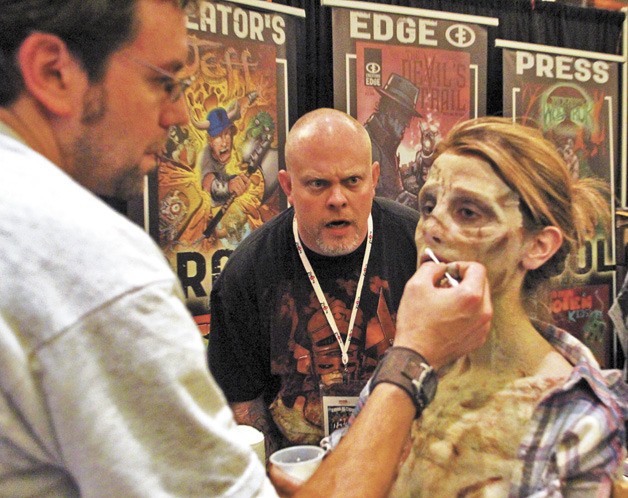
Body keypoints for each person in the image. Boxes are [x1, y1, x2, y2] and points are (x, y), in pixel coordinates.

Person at [0, 1, 493, 496]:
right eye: (164, 81)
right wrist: (411, 357)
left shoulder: (417, 241)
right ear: (52, 71)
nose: (176, 115)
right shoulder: (98, 269)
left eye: (353, 181)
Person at [336, 117, 628, 496]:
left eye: (468, 212)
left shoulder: (577, 417)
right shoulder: (412, 363)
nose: (431, 229)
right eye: (428, 205)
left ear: (538, 245)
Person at [208, 108, 424, 453]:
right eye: (318, 184)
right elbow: (241, 408)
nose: (338, 199)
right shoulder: (246, 273)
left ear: (374, 178)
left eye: (352, 181)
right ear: (288, 187)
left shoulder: (418, 245)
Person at [363, 73, 421, 201]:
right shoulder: (368, 145)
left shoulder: (387, 144)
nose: (407, 124)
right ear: (389, 110)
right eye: (404, 115)